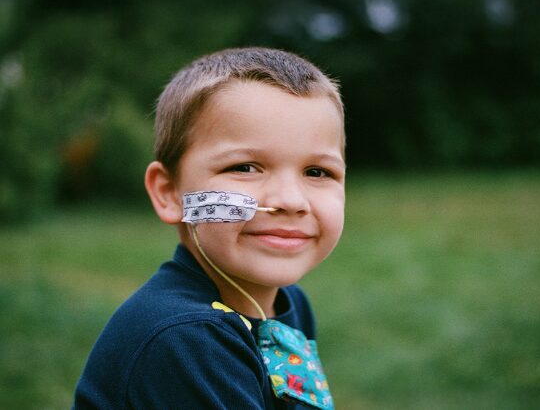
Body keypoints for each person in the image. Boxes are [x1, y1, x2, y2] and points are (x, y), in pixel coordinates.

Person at [73, 47, 346, 409]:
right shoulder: (187, 338)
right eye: (245, 167)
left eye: (317, 172)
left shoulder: (289, 301)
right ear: (169, 193)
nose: (291, 201)